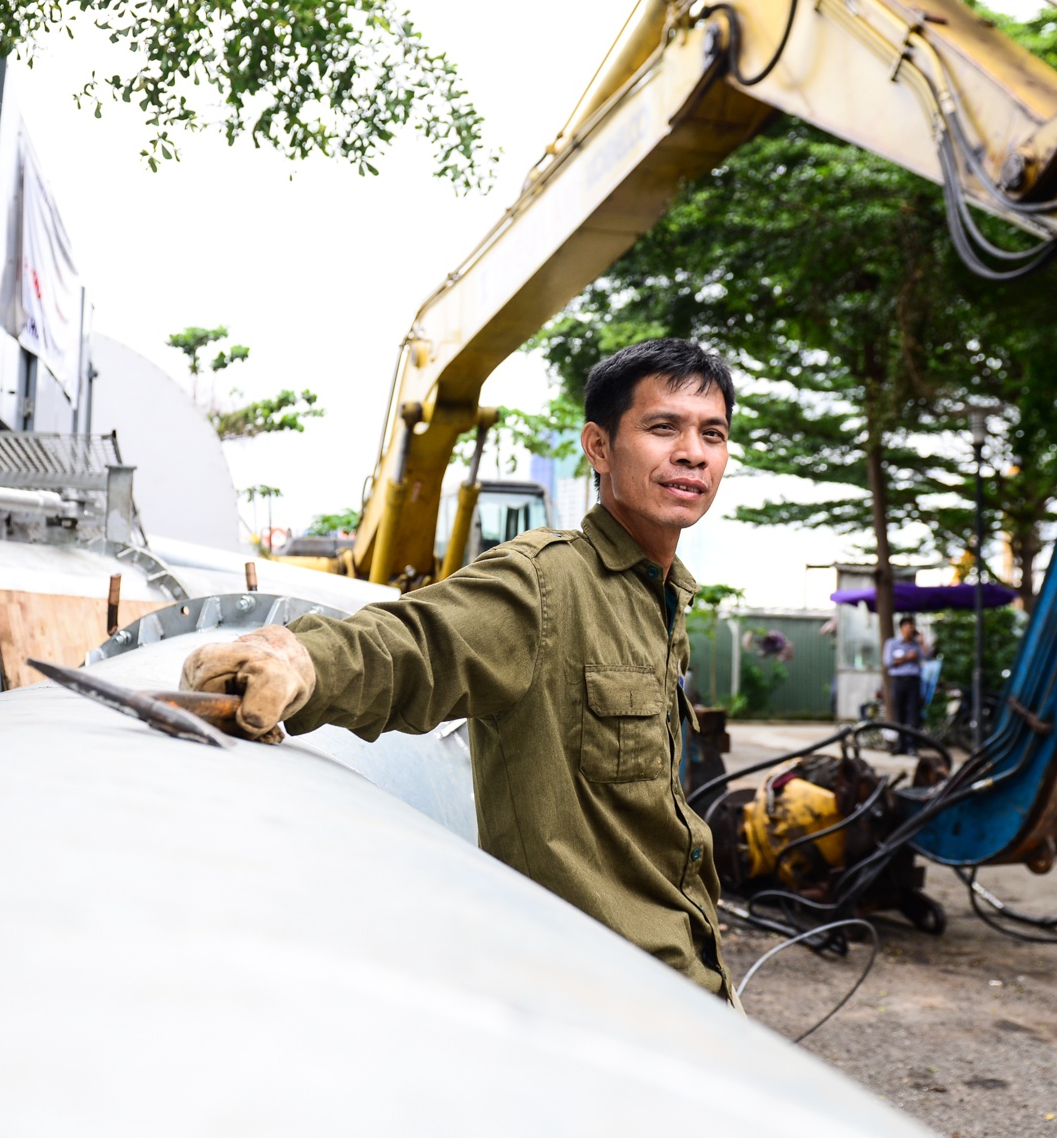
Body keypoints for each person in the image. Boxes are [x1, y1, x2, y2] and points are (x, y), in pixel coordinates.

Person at [179, 339, 738, 1004]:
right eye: (662, 427)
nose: (692, 453)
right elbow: (412, 644)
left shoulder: (662, 596)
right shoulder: (547, 583)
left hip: (686, 979)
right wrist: (291, 660)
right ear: (598, 447)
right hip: (601, 998)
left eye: (713, 433)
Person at [883, 616, 929, 753]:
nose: (910, 629)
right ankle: (901, 745)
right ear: (901, 628)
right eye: (908, 626)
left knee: (913, 714)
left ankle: (912, 746)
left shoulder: (916, 645)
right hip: (898, 681)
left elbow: (928, 656)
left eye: (912, 627)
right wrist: (907, 658)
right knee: (899, 713)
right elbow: (888, 662)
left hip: (913, 681)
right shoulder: (892, 643)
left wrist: (922, 642)